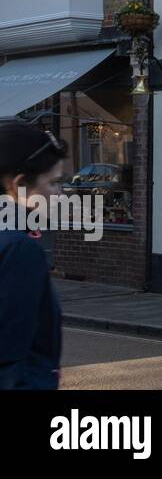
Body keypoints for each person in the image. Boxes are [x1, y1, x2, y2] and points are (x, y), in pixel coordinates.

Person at [0, 123, 68, 390]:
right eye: (53, 183)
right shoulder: (19, 248)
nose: (60, 194)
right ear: (19, 184)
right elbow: (8, 358)